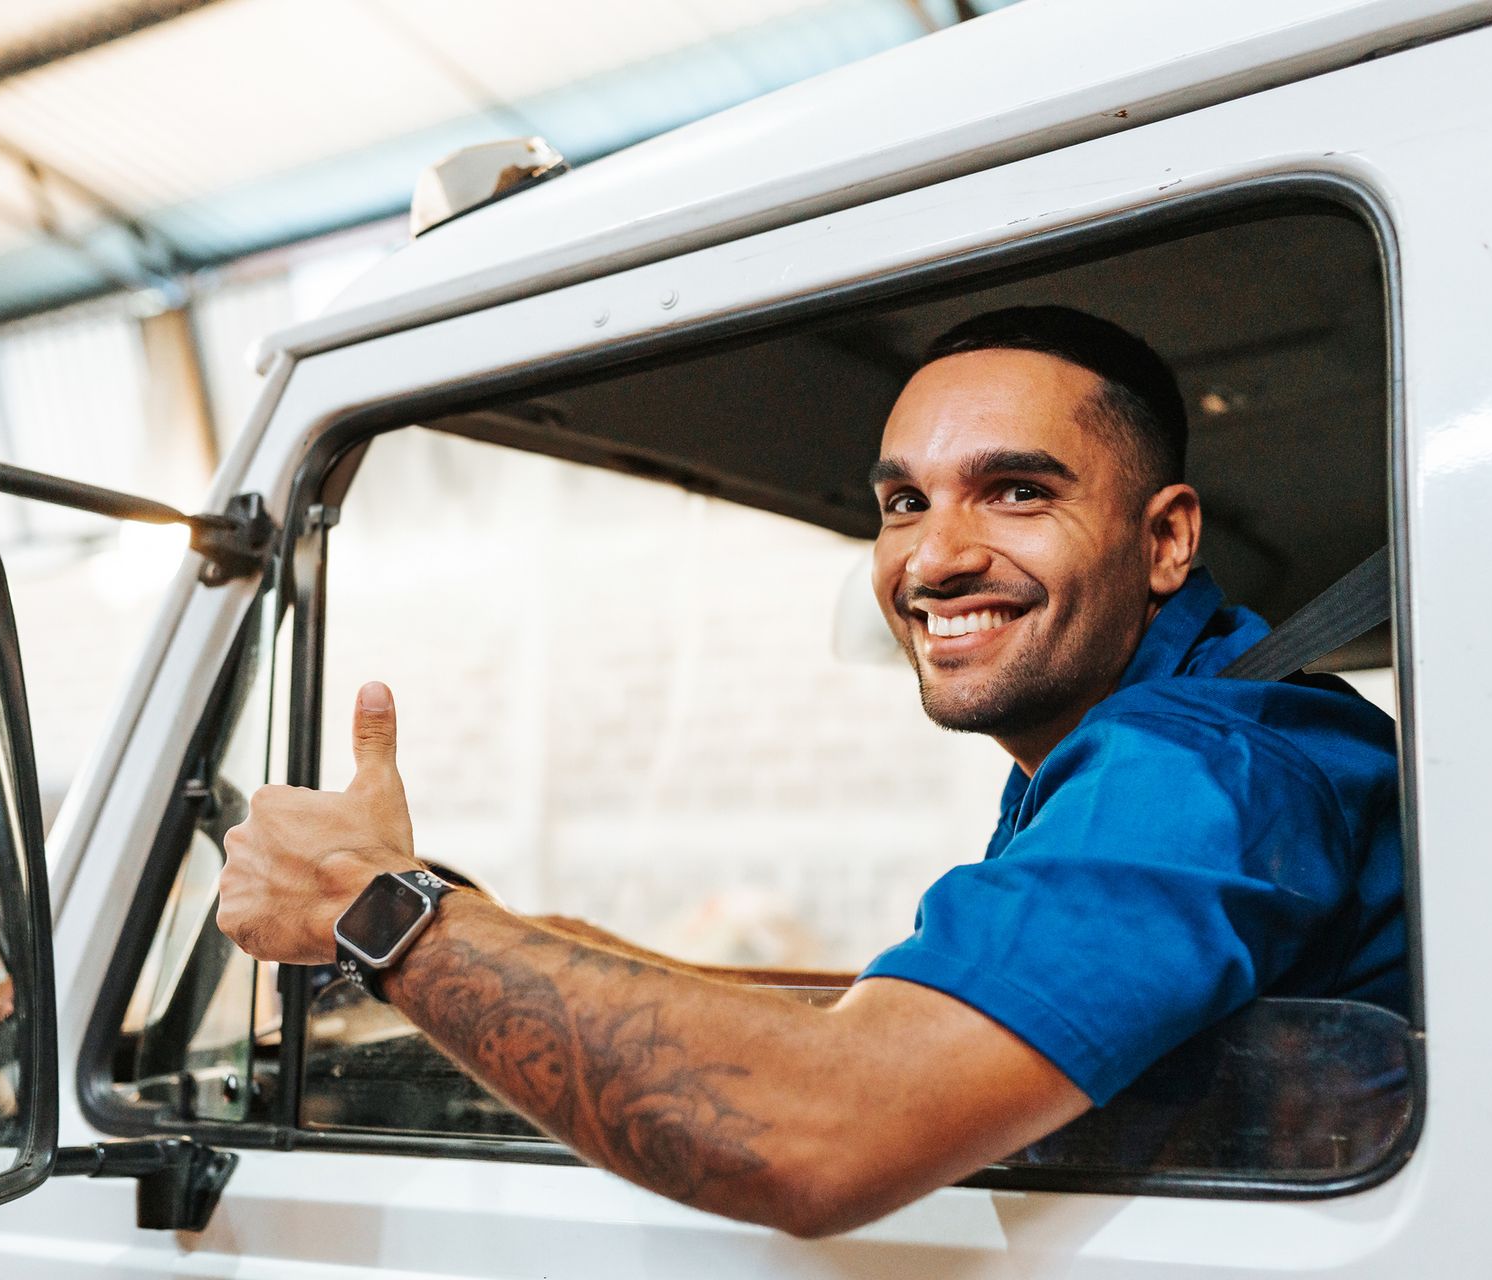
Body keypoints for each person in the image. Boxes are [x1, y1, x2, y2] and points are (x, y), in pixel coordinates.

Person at [215, 306, 1406, 1238]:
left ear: (1164, 538)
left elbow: (822, 1129)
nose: (935, 557)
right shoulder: (1140, 747)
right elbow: (923, 1021)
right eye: (902, 501)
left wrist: (376, 914)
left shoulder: (1201, 772)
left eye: (1018, 489)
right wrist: (512, 930)